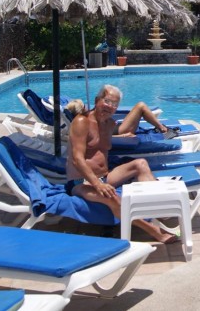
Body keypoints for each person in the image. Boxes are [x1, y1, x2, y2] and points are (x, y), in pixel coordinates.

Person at [66, 84, 177, 244]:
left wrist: (122, 136)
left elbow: (99, 143)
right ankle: (155, 231)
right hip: (82, 182)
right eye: (107, 101)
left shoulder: (109, 124)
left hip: (105, 177)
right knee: (114, 198)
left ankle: (158, 209)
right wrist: (97, 184)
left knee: (140, 163)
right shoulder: (82, 121)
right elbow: (77, 159)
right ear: (97, 100)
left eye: (114, 104)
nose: (110, 106)